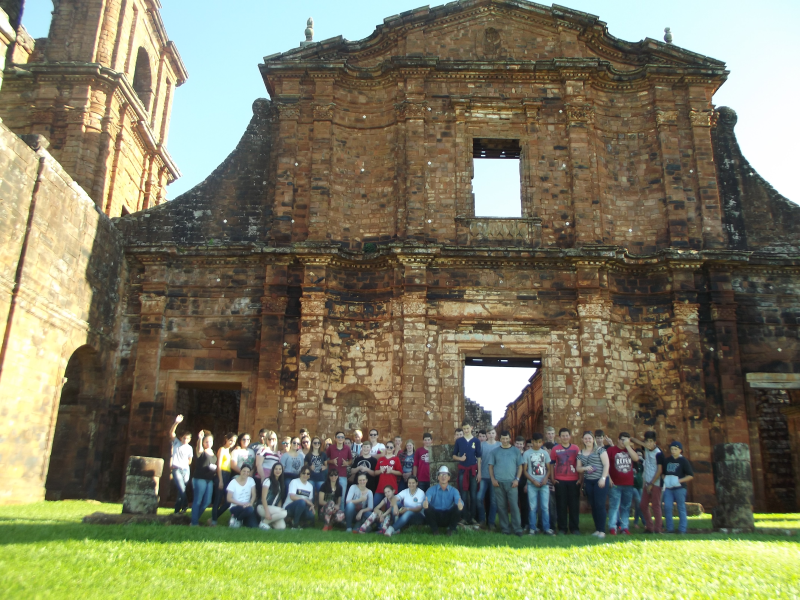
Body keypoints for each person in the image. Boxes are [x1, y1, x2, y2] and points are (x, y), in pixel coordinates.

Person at [488, 430, 524, 537]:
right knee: (502, 507)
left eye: (506, 438)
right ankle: (505, 529)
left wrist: (517, 479)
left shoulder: (515, 451)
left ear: (510, 439)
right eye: (503, 438)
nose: (504, 440)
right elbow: (490, 466)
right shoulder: (495, 452)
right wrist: (493, 479)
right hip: (498, 483)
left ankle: (517, 528)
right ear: (500, 439)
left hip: (512, 483)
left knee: (514, 506)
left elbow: (520, 466)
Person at [576, 430, 610, 538]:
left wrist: (603, 478)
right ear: (582, 440)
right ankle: (597, 529)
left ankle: (602, 531)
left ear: (593, 439)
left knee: (600, 505)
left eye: (589, 438)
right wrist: (584, 468)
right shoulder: (580, 453)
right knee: (594, 506)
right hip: (589, 481)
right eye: (585, 438)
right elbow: (578, 468)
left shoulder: (600, 450)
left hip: (600, 480)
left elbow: (606, 465)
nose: (587, 440)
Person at [630, 431, 665, 534]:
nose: (649, 444)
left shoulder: (658, 453)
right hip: (647, 481)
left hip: (656, 483)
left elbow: (659, 471)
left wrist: (651, 484)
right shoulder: (645, 448)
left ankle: (658, 528)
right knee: (643, 505)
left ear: (655, 442)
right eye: (647, 441)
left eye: (651, 441)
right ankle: (649, 527)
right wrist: (634, 439)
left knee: (656, 506)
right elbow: (635, 440)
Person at [606, 431, 639, 535]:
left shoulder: (630, 450)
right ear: (618, 440)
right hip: (615, 483)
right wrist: (609, 478)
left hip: (628, 484)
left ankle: (624, 527)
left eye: (627, 440)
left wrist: (628, 447)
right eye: (623, 440)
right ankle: (612, 527)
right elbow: (605, 465)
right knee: (614, 506)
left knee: (626, 506)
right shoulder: (611, 450)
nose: (624, 442)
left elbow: (636, 458)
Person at [550, 427, 581, 535]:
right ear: (559, 437)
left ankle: (574, 528)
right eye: (563, 436)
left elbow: (580, 464)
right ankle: (562, 528)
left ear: (570, 437)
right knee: (561, 505)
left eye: (567, 435)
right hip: (560, 481)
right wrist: (553, 479)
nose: (565, 437)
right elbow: (552, 464)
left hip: (574, 481)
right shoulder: (555, 449)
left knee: (574, 505)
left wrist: (580, 479)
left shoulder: (576, 448)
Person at [522, 432, 554, 535]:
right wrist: (533, 481)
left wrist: (545, 479)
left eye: (540, 442)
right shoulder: (527, 453)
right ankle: (532, 528)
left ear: (542, 442)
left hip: (543, 484)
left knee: (545, 507)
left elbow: (549, 469)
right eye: (536, 442)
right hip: (532, 484)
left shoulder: (544, 453)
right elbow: (525, 471)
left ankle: (546, 528)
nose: (537, 444)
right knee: (533, 507)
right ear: (532, 442)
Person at [452, 422, 481, 525]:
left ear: (471, 428)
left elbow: (479, 457)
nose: (466, 430)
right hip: (463, 471)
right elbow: (454, 455)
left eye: (468, 428)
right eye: (464, 429)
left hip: (473, 471)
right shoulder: (459, 441)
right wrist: (461, 458)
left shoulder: (476, 441)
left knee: (473, 495)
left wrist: (479, 473)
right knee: (463, 495)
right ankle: (464, 517)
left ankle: (472, 517)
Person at [663, 441, 694, 534]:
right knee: (667, 506)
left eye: (675, 449)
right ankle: (670, 528)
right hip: (668, 488)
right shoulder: (667, 460)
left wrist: (678, 481)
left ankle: (682, 529)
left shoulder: (683, 461)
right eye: (672, 449)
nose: (673, 451)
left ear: (680, 450)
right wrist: (666, 480)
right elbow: (663, 473)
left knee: (681, 507)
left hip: (680, 488)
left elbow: (690, 475)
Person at [423, 466, 464, 536]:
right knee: (427, 509)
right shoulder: (431, 489)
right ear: (438, 477)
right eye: (441, 475)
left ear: (449, 477)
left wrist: (460, 505)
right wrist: (425, 503)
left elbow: (459, 501)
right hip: (436, 516)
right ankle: (435, 530)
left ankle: (450, 529)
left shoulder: (454, 490)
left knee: (458, 508)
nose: (443, 477)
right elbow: (427, 500)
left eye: (445, 475)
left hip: (448, 516)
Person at [190, 430, 217, 526]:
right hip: (200, 478)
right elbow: (199, 449)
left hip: (209, 479)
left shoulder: (213, 453)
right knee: (197, 500)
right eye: (206, 442)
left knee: (207, 501)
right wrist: (200, 439)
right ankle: (194, 522)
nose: (208, 443)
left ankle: (194, 518)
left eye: (210, 441)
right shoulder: (201, 451)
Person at [210, 431, 237, 526]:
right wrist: (220, 479)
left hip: (228, 475)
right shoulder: (222, 449)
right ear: (226, 439)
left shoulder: (230, 452)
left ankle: (214, 517)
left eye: (234, 441)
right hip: (221, 474)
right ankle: (213, 521)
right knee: (217, 499)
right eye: (230, 440)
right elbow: (219, 465)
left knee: (228, 502)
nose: (232, 443)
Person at [168, 415, 193, 513]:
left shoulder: (189, 448)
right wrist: (176, 422)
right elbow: (171, 433)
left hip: (186, 470)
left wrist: (185, 463)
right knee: (181, 487)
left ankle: (177, 510)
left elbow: (190, 460)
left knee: (180, 490)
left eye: (187, 439)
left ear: (190, 439)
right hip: (176, 468)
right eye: (184, 438)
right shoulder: (176, 443)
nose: (185, 440)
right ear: (180, 438)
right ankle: (186, 504)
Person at [477, 428, 500, 529]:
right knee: (479, 498)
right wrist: (479, 473)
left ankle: (491, 522)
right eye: (489, 433)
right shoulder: (482, 445)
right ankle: (482, 520)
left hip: (495, 477)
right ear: (486, 435)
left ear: (495, 434)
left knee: (494, 500)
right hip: (484, 476)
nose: (491, 435)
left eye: (493, 433)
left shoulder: (499, 445)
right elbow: (479, 460)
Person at [257, 463, 288, 530]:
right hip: (263, 507)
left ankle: (268, 522)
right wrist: (267, 512)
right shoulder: (268, 481)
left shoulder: (281, 483)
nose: (278, 471)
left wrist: (278, 511)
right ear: (273, 470)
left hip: (273, 509)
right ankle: (264, 523)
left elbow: (279, 500)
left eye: (280, 469)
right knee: (284, 512)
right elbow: (263, 498)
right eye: (276, 469)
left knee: (281, 527)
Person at [226, 463, 258, 528]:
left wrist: (251, 503)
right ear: (240, 471)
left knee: (254, 526)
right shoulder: (233, 482)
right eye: (244, 471)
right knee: (249, 510)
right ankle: (236, 519)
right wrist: (242, 504)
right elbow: (229, 498)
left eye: (248, 472)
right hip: (235, 507)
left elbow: (254, 494)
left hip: (248, 506)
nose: (246, 473)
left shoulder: (251, 480)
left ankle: (240, 519)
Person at [327, 431, 353, 509]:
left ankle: (341, 515)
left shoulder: (347, 448)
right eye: (338, 437)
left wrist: (347, 463)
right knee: (331, 497)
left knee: (341, 497)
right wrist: (331, 461)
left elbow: (351, 460)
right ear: (335, 439)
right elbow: (325, 459)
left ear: (344, 439)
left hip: (342, 475)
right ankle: (329, 515)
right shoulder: (331, 448)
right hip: (331, 476)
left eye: (342, 437)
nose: (340, 438)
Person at [255, 430, 280, 504]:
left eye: (273, 439)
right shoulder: (262, 449)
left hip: (272, 478)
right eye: (269, 439)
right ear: (266, 440)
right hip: (263, 477)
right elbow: (258, 464)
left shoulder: (276, 453)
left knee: (268, 499)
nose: (271, 440)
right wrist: (263, 477)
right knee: (261, 499)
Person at [374, 441, 402, 506]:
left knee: (391, 508)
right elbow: (375, 472)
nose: (389, 448)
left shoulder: (396, 459)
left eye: (391, 447)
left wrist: (392, 471)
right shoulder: (381, 459)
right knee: (374, 506)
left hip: (392, 488)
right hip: (380, 487)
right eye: (387, 447)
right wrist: (380, 471)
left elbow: (400, 473)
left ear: (393, 449)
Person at [543, 426, 558, 528]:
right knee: (544, 504)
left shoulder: (558, 447)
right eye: (549, 433)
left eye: (552, 433)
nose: (550, 435)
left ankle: (553, 524)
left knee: (554, 503)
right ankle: (544, 524)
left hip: (556, 478)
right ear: (546, 434)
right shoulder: (541, 447)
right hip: (544, 478)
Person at [514, 436, 528, 529]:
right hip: (513, 482)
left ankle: (525, 523)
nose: (519, 445)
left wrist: (527, 484)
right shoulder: (511, 453)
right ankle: (516, 524)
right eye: (517, 443)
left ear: (524, 445)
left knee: (524, 504)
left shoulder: (526, 455)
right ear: (514, 444)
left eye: (521, 444)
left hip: (523, 482)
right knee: (514, 504)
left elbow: (528, 470)